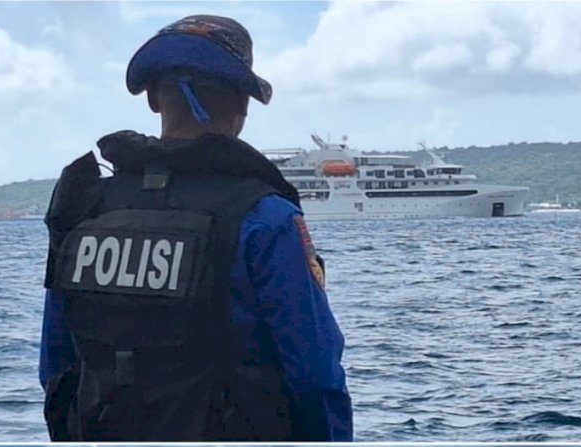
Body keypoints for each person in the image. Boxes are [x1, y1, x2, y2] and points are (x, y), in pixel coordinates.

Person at [38, 14, 352, 442]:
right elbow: (315, 378)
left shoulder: (84, 209)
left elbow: (56, 367)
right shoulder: (265, 219)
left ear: (151, 98)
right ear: (244, 104)